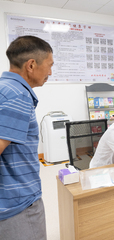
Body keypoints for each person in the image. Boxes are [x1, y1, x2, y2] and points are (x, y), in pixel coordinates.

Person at [0, 36, 54, 240]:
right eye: (49, 65)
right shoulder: (18, 95)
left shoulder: (4, 88)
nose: (50, 72)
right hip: (18, 205)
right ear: (31, 65)